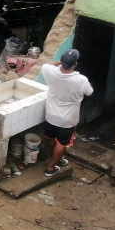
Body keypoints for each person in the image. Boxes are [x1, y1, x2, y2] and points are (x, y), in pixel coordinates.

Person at [40, 49, 93, 177]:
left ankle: (55, 159)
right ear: (75, 64)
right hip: (68, 120)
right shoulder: (81, 80)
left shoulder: (49, 71)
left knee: (51, 139)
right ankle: (50, 168)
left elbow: (47, 64)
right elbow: (90, 92)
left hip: (51, 116)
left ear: (62, 61)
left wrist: (60, 61)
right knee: (62, 143)